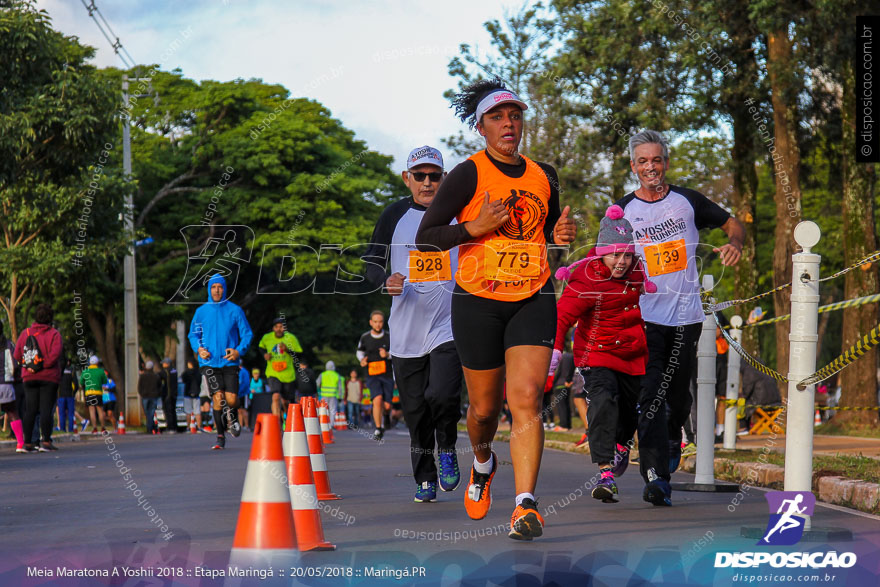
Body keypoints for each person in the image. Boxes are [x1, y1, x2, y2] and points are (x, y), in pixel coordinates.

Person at [415, 79, 576, 540]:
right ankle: (483, 462)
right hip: (478, 300)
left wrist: (559, 241)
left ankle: (526, 505)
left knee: (525, 399)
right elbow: (428, 236)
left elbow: (547, 241)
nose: (509, 123)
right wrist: (473, 227)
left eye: (515, 115)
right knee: (484, 411)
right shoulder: (468, 174)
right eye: (497, 117)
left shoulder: (544, 175)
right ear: (481, 127)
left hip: (533, 295)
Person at [614, 130, 745, 505]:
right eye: (643, 161)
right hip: (644, 318)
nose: (650, 167)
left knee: (677, 398)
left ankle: (674, 437)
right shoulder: (623, 211)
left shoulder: (688, 201)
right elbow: (607, 258)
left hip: (687, 317)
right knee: (650, 394)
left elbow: (734, 224)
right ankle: (656, 477)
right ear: (633, 166)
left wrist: (733, 244)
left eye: (656, 160)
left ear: (666, 163)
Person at [361, 144, 464, 502]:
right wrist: (384, 280)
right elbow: (371, 262)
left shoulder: (458, 214)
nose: (427, 182)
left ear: (444, 179)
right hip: (405, 331)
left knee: (443, 394)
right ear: (407, 179)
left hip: (448, 325)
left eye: (434, 176)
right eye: (419, 176)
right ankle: (425, 476)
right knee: (416, 411)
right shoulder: (393, 215)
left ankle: (447, 446)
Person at [553, 204, 658, 504]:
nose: (622, 262)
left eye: (627, 254)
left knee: (628, 412)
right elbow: (562, 316)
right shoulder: (586, 277)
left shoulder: (637, 271)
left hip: (632, 355)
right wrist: (556, 351)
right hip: (596, 353)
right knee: (603, 401)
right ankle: (605, 473)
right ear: (601, 252)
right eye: (615, 255)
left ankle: (622, 445)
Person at [187, 273, 253, 450]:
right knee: (218, 398)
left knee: (231, 400)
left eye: (220, 287)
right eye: (214, 287)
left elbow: (247, 333)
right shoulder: (201, 312)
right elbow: (193, 334)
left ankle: (232, 415)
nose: (217, 290)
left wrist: (238, 351)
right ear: (209, 289)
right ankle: (220, 437)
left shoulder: (235, 310)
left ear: (225, 289)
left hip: (229, 362)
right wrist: (199, 349)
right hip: (209, 363)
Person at [13, 304, 64, 452]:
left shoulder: (25, 333)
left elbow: (17, 355)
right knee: (46, 410)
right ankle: (46, 441)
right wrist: (42, 366)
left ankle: (28, 443)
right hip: (49, 377)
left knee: (30, 410)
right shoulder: (54, 334)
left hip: (29, 376)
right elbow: (55, 356)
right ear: (50, 318)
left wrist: (29, 366)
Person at [356, 311, 394, 441]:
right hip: (372, 374)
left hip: (387, 374)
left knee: (387, 405)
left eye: (380, 322)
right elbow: (359, 352)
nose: (378, 324)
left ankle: (387, 415)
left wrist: (388, 355)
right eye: (375, 321)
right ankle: (378, 428)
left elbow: (398, 352)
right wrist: (362, 360)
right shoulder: (365, 337)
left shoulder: (389, 337)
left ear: (383, 323)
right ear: (371, 322)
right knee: (377, 399)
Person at [258, 318, 303, 419]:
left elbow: (299, 355)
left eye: (281, 327)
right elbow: (261, 347)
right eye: (276, 327)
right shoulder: (267, 337)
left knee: (286, 401)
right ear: (273, 328)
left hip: (288, 375)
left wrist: (287, 350)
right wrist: (265, 354)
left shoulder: (291, 338)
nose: (279, 329)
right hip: (273, 373)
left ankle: (287, 420)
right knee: (275, 396)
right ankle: (276, 423)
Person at [0, 324, 25, 452]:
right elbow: (15, 364)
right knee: (12, 412)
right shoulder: (8, 345)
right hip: (6, 384)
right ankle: (20, 443)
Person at [79, 356, 108, 434]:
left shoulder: (85, 371)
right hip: (98, 392)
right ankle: (103, 428)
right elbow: (105, 381)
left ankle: (94, 428)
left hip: (89, 393)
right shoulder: (101, 371)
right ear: (97, 363)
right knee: (100, 411)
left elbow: (81, 382)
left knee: (92, 411)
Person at [138, 362, 161, 434]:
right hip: (154, 396)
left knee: (147, 412)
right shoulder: (156, 376)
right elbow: (160, 386)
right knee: (151, 412)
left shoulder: (142, 376)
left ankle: (150, 428)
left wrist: (142, 393)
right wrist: (157, 394)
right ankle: (152, 426)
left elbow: (139, 386)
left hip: (145, 396)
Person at [180, 359, 202, 430]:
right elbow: (200, 381)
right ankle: (199, 426)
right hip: (196, 393)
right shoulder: (198, 373)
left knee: (188, 411)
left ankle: (188, 427)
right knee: (197, 411)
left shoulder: (186, 373)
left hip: (187, 393)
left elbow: (183, 380)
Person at [57, 357, 77, 434]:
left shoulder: (58, 371)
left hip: (60, 395)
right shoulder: (71, 371)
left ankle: (62, 429)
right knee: (70, 414)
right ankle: (71, 429)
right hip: (70, 395)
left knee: (61, 414)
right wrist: (73, 393)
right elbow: (76, 384)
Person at [159, 358, 178, 432]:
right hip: (173, 394)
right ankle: (174, 426)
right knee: (172, 411)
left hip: (167, 394)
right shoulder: (174, 371)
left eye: (164, 363)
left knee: (168, 411)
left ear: (167, 363)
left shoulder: (166, 372)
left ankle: (170, 427)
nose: (163, 365)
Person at [237, 361, 250, 431]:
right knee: (239, 410)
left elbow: (243, 383)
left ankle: (246, 425)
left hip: (243, 393)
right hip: (240, 393)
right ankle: (241, 425)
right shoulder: (241, 371)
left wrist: (239, 392)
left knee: (244, 409)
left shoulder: (243, 371)